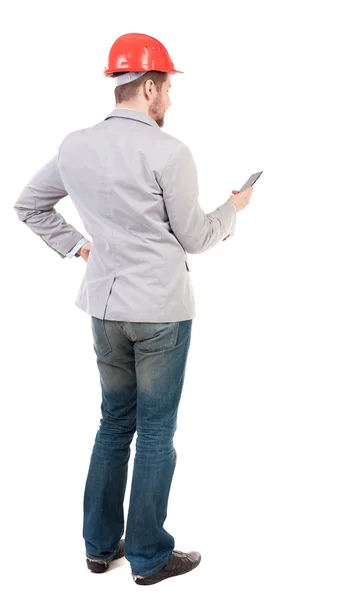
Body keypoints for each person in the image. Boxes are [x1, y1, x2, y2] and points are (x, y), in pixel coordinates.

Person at [13, 32, 254, 586]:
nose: (169, 100)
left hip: (105, 308)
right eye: (167, 89)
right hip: (160, 314)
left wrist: (79, 246)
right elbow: (194, 238)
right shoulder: (170, 152)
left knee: (113, 422)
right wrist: (233, 208)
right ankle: (147, 556)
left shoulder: (75, 145)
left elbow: (29, 205)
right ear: (148, 86)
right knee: (155, 430)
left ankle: (100, 548)